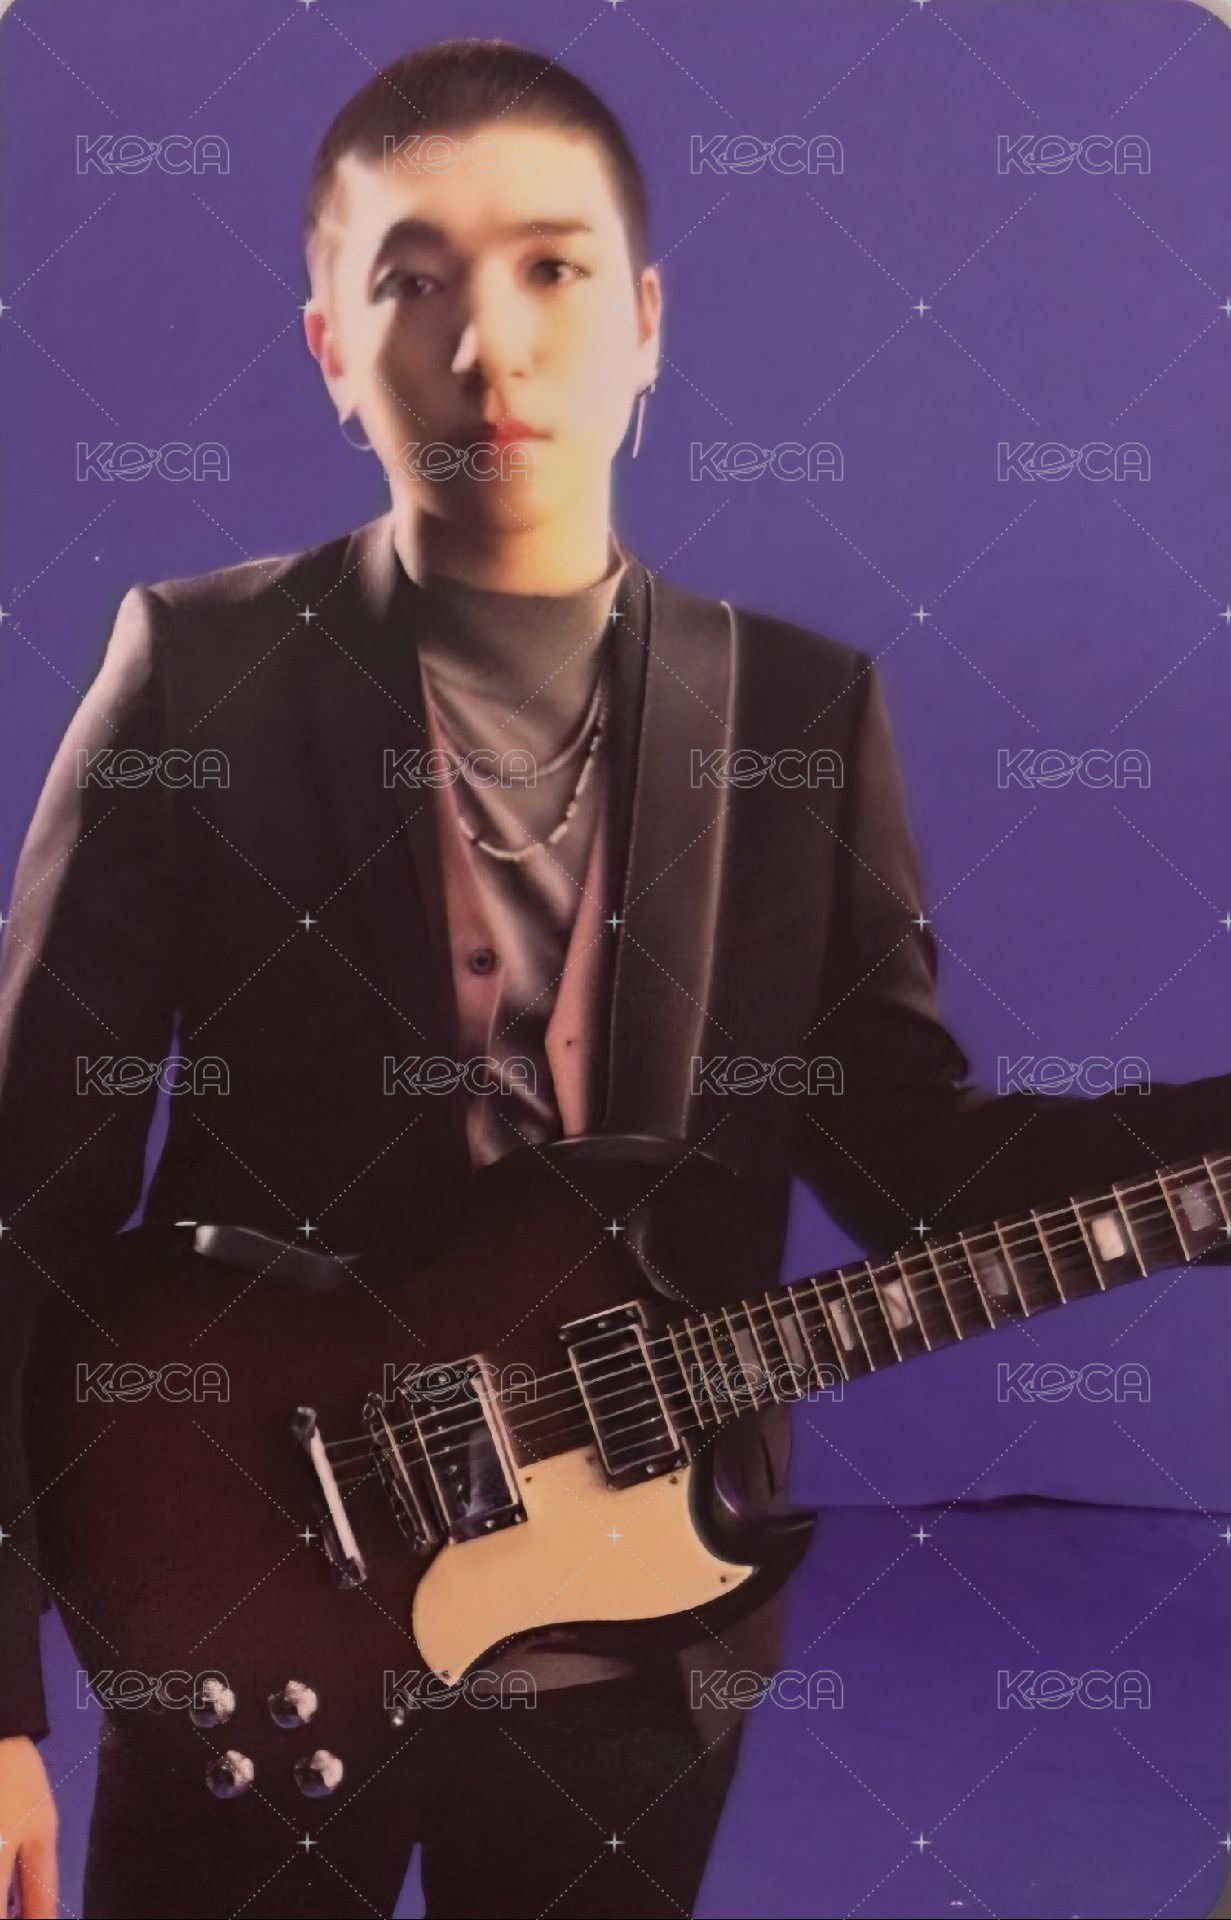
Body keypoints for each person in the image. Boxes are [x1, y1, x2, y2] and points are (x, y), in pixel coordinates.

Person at [1, 37, 1229, 1920]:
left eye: (552, 269)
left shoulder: (798, 711)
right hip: (248, 1608)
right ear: (331, 346)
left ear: (646, 324)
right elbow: (27, 1197)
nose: (489, 345)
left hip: (640, 1660)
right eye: (414, 279)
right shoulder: (196, 672)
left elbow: (916, 1167)